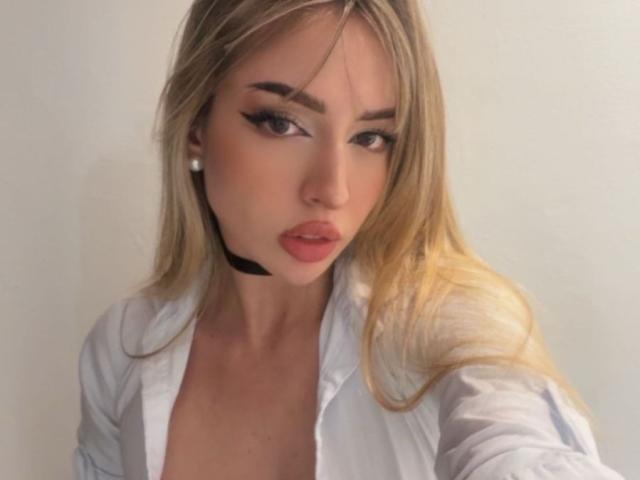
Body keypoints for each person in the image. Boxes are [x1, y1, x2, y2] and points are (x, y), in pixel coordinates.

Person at [73, 1, 627, 479]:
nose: (332, 190)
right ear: (196, 123)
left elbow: (516, 444)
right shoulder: (122, 348)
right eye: (282, 123)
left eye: (371, 137)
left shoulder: (443, 331)